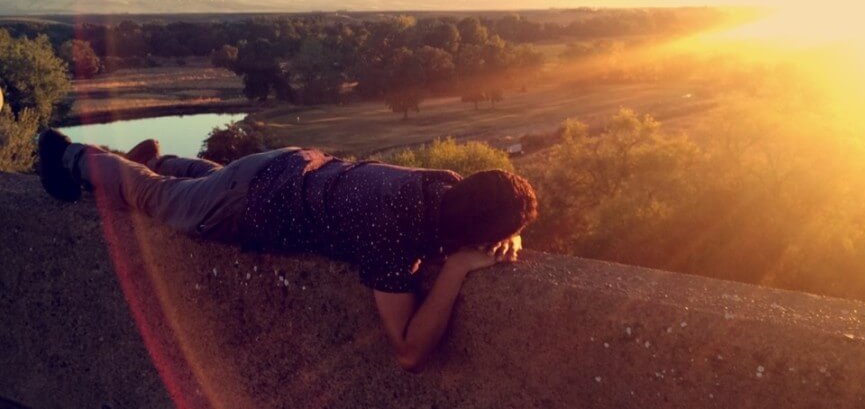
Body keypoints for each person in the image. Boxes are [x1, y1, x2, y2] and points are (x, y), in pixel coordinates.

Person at [37, 128, 538, 372]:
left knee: (206, 182)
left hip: (286, 166)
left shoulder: (443, 184)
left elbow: (471, 214)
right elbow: (407, 350)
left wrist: (492, 232)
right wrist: (456, 268)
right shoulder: (394, 232)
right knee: (154, 198)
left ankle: (158, 160)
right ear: (473, 236)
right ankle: (70, 153)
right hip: (252, 203)